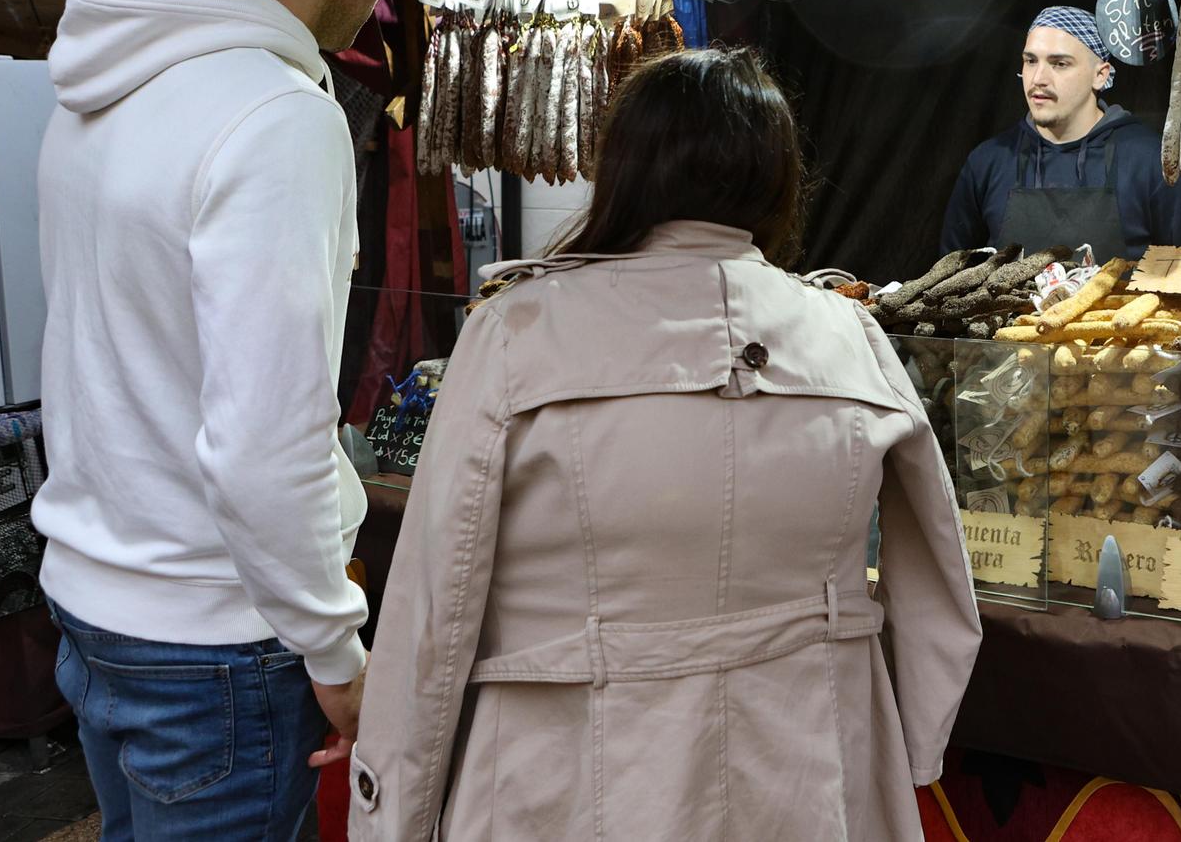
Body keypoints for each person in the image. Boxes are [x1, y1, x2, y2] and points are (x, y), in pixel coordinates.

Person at [351, 49, 981, 842]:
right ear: (778, 178)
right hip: (810, 780)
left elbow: (430, 613)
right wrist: (912, 747)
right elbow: (939, 585)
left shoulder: (518, 333)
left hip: (562, 788)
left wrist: (391, 813)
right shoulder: (849, 337)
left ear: (625, 168)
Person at [32, 0, 435, 839]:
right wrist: (339, 650)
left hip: (95, 606)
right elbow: (266, 441)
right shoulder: (275, 117)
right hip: (214, 644)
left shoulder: (101, 84)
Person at [942, 6, 1181, 258]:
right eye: (1030, 61)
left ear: (1100, 75)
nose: (1038, 79)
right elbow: (949, 277)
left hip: (1118, 316)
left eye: (1059, 64)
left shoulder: (1150, 161)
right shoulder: (988, 162)